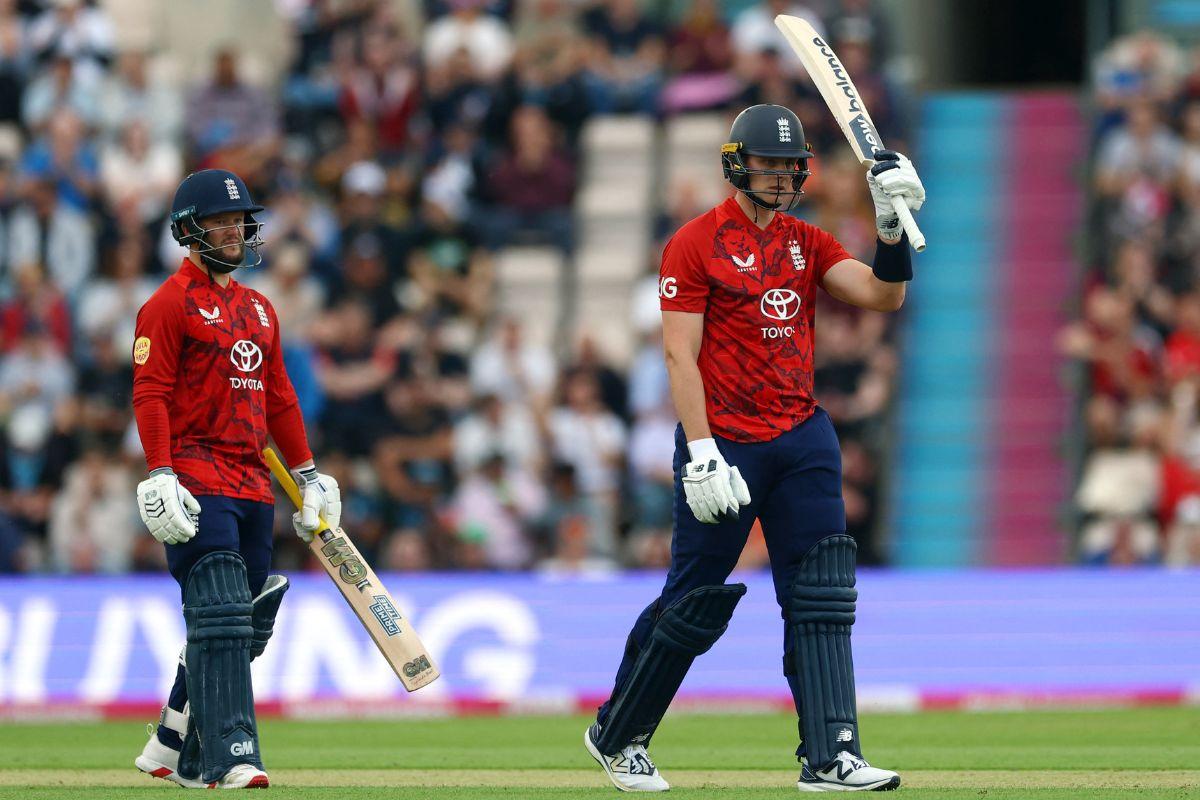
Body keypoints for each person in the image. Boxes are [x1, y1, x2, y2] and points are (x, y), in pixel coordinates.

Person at [582, 103, 924, 793]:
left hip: (801, 435)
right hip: (726, 440)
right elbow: (680, 358)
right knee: (694, 597)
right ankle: (619, 735)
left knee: (821, 593)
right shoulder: (695, 242)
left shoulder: (807, 240)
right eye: (768, 164)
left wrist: (890, 228)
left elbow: (883, 296)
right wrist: (702, 451)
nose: (781, 176)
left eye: (790, 165)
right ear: (739, 164)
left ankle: (831, 755)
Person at [130, 169, 341, 789]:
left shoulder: (261, 309)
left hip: (254, 484)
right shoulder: (167, 304)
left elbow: (279, 399)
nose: (234, 229)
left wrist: (307, 475)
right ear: (189, 231)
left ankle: (170, 742)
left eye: (238, 220)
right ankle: (228, 756)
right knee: (221, 611)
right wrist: (161, 470)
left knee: (240, 619)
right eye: (220, 221)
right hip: (197, 474)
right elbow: (151, 392)